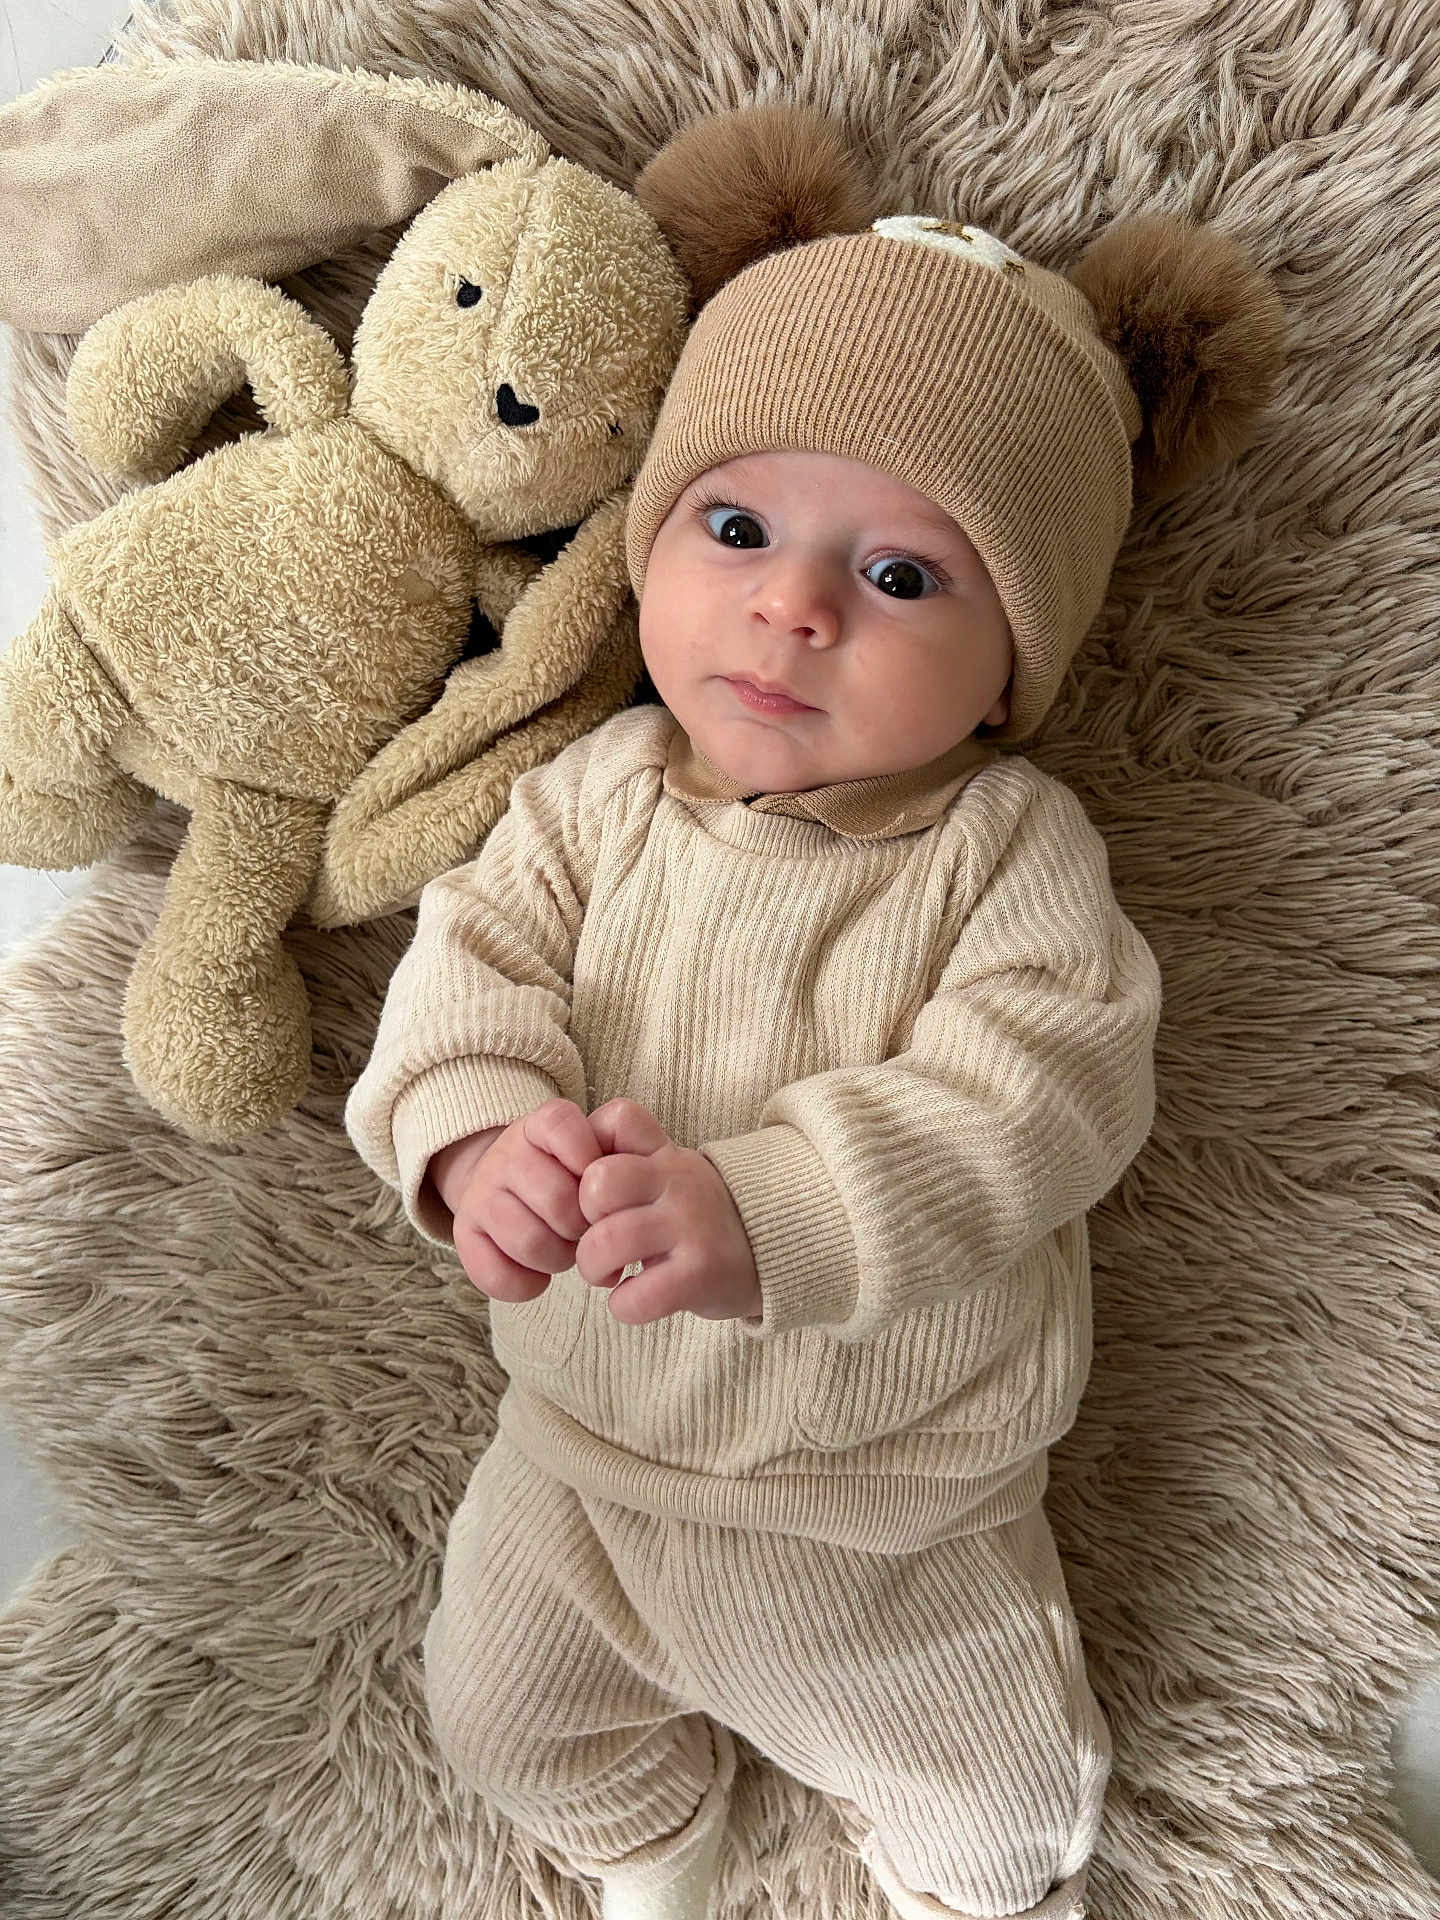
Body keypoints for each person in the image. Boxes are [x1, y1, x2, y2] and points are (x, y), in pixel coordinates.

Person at [346, 202, 1275, 1920]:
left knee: (993, 1808)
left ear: (1010, 672)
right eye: (736, 527)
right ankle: (651, 1844)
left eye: (900, 577)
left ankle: (960, 1889)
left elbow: (1045, 1088)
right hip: (577, 1461)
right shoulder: (591, 798)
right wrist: (478, 1141)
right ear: (649, 548)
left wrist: (771, 1209)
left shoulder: (1003, 849)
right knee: (499, 1718)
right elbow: (464, 970)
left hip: (886, 1507)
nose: (789, 607)